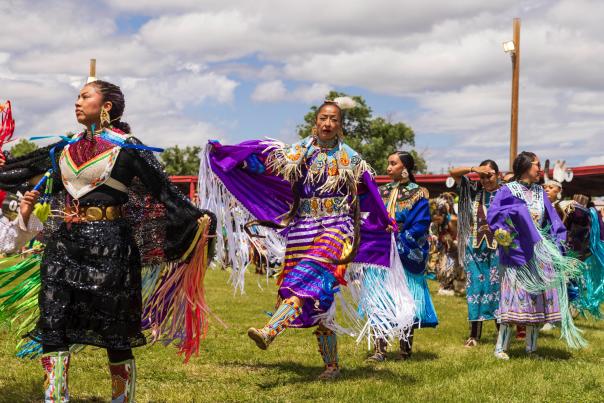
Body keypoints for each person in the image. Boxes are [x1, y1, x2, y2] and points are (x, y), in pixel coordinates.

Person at [0, 79, 216, 402]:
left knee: (115, 330)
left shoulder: (126, 147)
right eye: (76, 96)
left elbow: (164, 191)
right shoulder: (65, 147)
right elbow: (22, 169)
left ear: (106, 107)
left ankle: (120, 399)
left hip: (111, 247)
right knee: (54, 318)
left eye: (85, 96)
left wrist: (197, 218)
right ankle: (55, 397)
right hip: (64, 245)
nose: (77, 101)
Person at [200, 99, 414, 379]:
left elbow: (368, 194)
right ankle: (332, 366)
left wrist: (384, 221)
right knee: (320, 302)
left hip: (338, 228)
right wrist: (230, 157)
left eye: (334, 119)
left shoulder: (351, 160)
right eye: (324, 118)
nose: (328, 123)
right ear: (316, 122)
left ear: (340, 126)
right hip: (302, 228)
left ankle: (270, 330)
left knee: (307, 276)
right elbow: (264, 167)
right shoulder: (297, 153)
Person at [487, 151, 585, 360]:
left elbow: (553, 222)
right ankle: (500, 348)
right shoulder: (507, 190)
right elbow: (494, 215)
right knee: (512, 298)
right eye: (536, 164)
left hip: (538, 255)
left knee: (535, 300)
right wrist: (516, 216)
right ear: (524, 166)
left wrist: (556, 246)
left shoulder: (541, 193)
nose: (539, 169)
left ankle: (531, 349)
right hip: (515, 253)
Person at [368, 151, 438, 361]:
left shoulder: (418, 193)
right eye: (388, 163)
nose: (388, 168)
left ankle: (404, 349)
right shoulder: (381, 192)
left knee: (405, 300)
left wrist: (399, 239)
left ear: (405, 167)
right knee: (379, 299)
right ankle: (379, 350)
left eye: (393, 164)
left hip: (404, 252)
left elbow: (421, 224)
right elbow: (372, 218)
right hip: (381, 252)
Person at [450, 160, 501, 347]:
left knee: (497, 290)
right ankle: (474, 335)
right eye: (483, 176)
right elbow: (453, 172)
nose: (486, 179)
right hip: (475, 249)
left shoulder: (505, 193)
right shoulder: (472, 191)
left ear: (498, 174)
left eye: (490, 175)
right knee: (475, 290)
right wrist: (473, 170)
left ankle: (501, 334)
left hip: (499, 249)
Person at [429, 192, 463, 296]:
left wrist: (452, 240)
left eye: (438, 217)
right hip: (443, 247)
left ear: (443, 214)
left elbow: (457, 234)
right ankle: (446, 285)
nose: (436, 219)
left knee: (451, 265)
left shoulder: (452, 220)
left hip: (453, 247)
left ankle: (451, 286)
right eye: (434, 217)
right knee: (442, 267)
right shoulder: (434, 224)